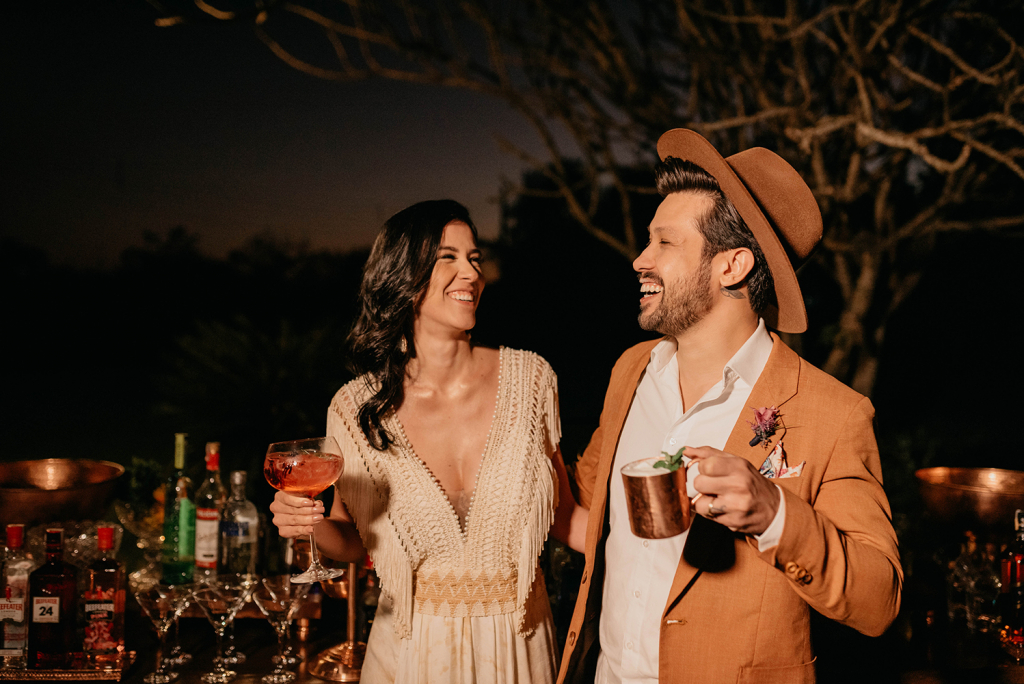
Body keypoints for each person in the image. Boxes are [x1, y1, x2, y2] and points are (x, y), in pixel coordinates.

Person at [556, 129, 902, 684]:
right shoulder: (631, 372)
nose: (640, 259)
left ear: (733, 265)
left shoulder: (833, 414)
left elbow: (879, 599)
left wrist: (775, 512)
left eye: (665, 244)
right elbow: (587, 511)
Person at [269, 199, 588, 684]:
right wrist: (306, 525)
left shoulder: (532, 379)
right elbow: (353, 539)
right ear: (403, 274)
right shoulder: (356, 407)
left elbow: (563, 516)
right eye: (448, 257)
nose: (471, 273)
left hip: (519, 644)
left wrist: (660, 533)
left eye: (475, 258)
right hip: (411, 651)